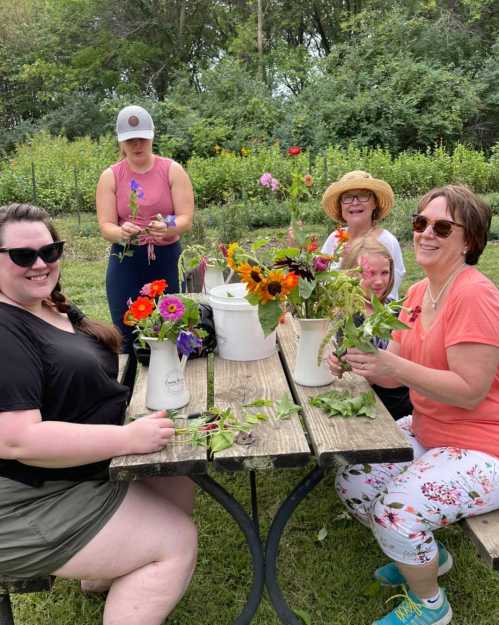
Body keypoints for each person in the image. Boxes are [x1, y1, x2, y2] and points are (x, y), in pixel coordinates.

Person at [0, 203, 197, 625]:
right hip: (24, 500)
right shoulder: (4, 331)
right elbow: (17, 440)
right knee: (176, 541)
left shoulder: (48, 306)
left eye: (49, 251)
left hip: (75, 471)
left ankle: (101, 571)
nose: (39, 264)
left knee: (176, 481)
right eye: (22, 256)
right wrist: (127, 439)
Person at [328, 185, 499, 625]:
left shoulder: (474, 295)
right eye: (420, 222)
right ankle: (430, 557)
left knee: (393, 511)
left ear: (470, 241)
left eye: (442, 226)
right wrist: (359, 360)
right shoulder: (421, 293)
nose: (425, 233)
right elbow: (393, 368)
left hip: (484, 447)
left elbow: (469, 389)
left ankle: (430, 606)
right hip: (430, 430)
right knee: (354, 478)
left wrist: (394, 367)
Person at [96, 104, 195, 352]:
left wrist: (167, 225)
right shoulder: (110, 176)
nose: (137, 145)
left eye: (142, 138)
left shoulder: (172, 170)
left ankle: (171, 381)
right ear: (121, 143)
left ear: (152, 137)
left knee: (171, 326)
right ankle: (129, 384)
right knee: (127, 331)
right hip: (126, 261)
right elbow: (106, 225)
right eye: (130, 141)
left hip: (166, 258)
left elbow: (184, 218)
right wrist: (121, 233)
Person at [339, 235, 412, 420]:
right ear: (351, 274)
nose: (379, 281)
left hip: (403, 409)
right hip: (371, 408)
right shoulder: (349, 316)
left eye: (385, 273)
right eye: (370, 273)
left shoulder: (397, 309)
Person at [321, 170, 405, 299]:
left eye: (363, 195)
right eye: (347, 197)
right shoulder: (334, 239)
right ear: (340, 206)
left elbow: (390, 293)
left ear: (374, 203)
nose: (355, 202)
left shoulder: (387, 241)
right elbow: (320, 281)